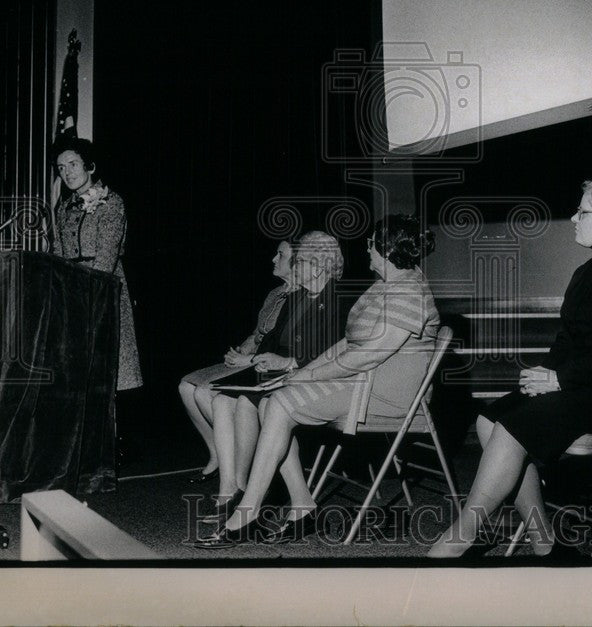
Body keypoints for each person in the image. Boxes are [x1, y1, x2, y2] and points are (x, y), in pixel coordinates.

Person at [428, 176, 592, 559]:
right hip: (582, 384)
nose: (575, 217)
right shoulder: (586, 272)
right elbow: (567, 342)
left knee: (513, 427)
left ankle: (464, 532)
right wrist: (542, 373)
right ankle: (545, 542)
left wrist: (559, 379)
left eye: (584, 211)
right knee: (488, 420)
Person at [195, 214, 439, 548]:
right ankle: (301, 505)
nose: (366, 248)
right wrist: (303, 373)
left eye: (371, 242)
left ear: (386, 248)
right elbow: (349, 343)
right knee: (270, 403)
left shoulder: (408, 290)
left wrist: (308, 373)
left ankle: (247, 514)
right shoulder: (386, 284)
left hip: (388, 392)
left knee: (278, 403)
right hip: (363, 381)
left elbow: (367, 355)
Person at [201, 231, 348, 520]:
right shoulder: (297, 298)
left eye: (300, 261)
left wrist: (289, 361)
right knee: (220, 400)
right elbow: (270, 341)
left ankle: (245, 491)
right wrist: (260, 359)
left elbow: (335, 352)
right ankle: (232, 486)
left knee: (246, 403)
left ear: (318, 266)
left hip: (318, 381)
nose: (294, 266)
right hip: (280, 374)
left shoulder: (341, 299)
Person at [177, 240, 296, 482]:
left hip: (264, 364)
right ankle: (217, 453)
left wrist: (248, 359)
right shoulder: (275, 294)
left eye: (280, 255)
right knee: (185, 386)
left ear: (298, 261)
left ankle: (238, 457)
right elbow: (258, 334)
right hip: (250, 358)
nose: (274, 259)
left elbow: (284, 347)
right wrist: (241, 349)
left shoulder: (302, 297)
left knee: (202, 393)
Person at [52, 136, 142, 393]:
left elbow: (106, 256)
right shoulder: (64, 208)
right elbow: (59, 251)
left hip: (102, 290)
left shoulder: (111, 202)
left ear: (90, 166)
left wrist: (86, 294)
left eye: (72, 164)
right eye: (61, 168)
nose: (67, 173)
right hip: (72, 290)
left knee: (105, 370)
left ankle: (108, 432)